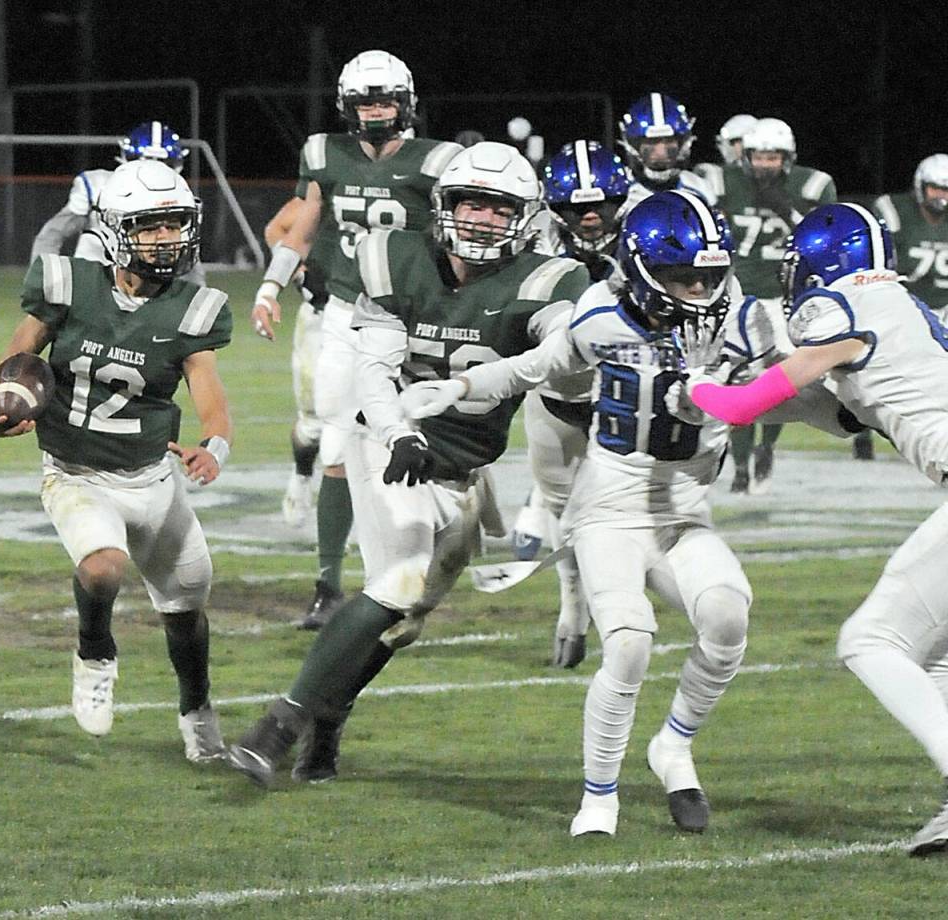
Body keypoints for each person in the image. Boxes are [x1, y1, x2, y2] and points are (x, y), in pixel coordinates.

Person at [398, 189, 858, 837]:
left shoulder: (748, 323)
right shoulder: (602, 315)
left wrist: (863, 407)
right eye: (681, 276)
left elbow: (807, 398)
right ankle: (599, 796)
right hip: (607, 511)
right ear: (641, 270)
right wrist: (458, 386)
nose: (700, 288)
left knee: (728, 615)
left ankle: (672, 745)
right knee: (631, 641)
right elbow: (535, 366)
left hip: (684, 516)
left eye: (709, 273)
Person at [227, 141, 589, 788]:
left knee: (403, 623)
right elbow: (374, 368)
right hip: (387, 448)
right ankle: (278, 726)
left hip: (463, 472)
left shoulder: (549, 280)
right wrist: (398, 432)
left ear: (524, 217)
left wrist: (474, 387)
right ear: (443, 206)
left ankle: (328, 720)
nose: (479, 219)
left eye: (497, 208)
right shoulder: (396, 257)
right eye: (470, 203)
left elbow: (563, 356)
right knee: (395, 583)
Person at [675, 201, 948, 857]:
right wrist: (739, 384)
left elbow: (743, 404)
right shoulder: (903, 312)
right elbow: (840, 413)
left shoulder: (848, 304)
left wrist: (695, 383)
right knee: (935, 658)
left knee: (869, 639)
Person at [0, 159, 233, 763]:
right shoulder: (68, 283)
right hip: (75, 471)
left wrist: (212, 446)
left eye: (174, 225)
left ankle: (197, 712)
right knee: (102, 567)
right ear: (117, 229)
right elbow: (18, 355)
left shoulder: (193, 308)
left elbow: (213, 401)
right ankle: (95, 651)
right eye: (151, 227)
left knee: (186, 612)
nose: (166, 239)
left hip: (154, 479)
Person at [249, 49, 461, 630]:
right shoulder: (324, 154)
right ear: (347, 105)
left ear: (407, 103)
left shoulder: (439, 162)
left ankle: (428, 558)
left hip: (413, 322)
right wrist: (270, 286)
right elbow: (304, 225)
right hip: (345, 315)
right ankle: (330, 585)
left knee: (423, 440)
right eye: (365, 101)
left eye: (385, 100)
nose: (375, 112)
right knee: (338, 447)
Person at [518, 139, 632, 668]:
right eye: (575, 207)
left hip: (626, 402)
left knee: (629, 521)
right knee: (566, 518)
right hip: (555, 398)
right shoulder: (527, 239)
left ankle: (620, 621)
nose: (589, 217)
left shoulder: (648, 236)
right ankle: (573, 607)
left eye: (600, 205)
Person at [717, 117, 836, 493]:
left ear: (788, 158)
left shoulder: (812, 186)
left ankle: (765, 448)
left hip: (788, 297)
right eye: (759, 156)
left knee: (779, 382)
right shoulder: (723, 183)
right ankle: (738, 467)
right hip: (740, 293)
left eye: (773, 157)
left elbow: (826, 240)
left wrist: (789, 210)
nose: (765, 164)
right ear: (745, 156)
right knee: (740, 380)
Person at [31, 121, 206, 286]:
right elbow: (53, 233)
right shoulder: (98, 185)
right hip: (93, 282)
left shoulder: (177, 195)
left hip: (149, 285)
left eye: (164, 164)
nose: (154, 170)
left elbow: (187, 253)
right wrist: (44, 279)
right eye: (145, 162)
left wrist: (198, 300)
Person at [857, 155, 948, 462]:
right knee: (880, 370)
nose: (942, 197)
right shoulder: (895, 212)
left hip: (944, 304)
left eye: (947, 190)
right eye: (936, 189)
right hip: (903, 305)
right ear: (921, 187)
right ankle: (865, 428)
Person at [262, 196, 338, 532]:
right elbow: (276, 229)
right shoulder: (332, 185)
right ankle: (303, 475)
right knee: (312, 425)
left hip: (380, 322)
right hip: (322, 319)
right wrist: (299, 272)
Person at [617, 92, 717, 209]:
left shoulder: (700, 188)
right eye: (651, 142)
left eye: (669, 141)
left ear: (682, 143)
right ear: (633, 145)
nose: (661, 152)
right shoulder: (619, 191)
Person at [694, 113, 758, 200]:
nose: (731, 147)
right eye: (732, 142)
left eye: (736, 142)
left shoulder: (776, 176)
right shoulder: (715, 174)